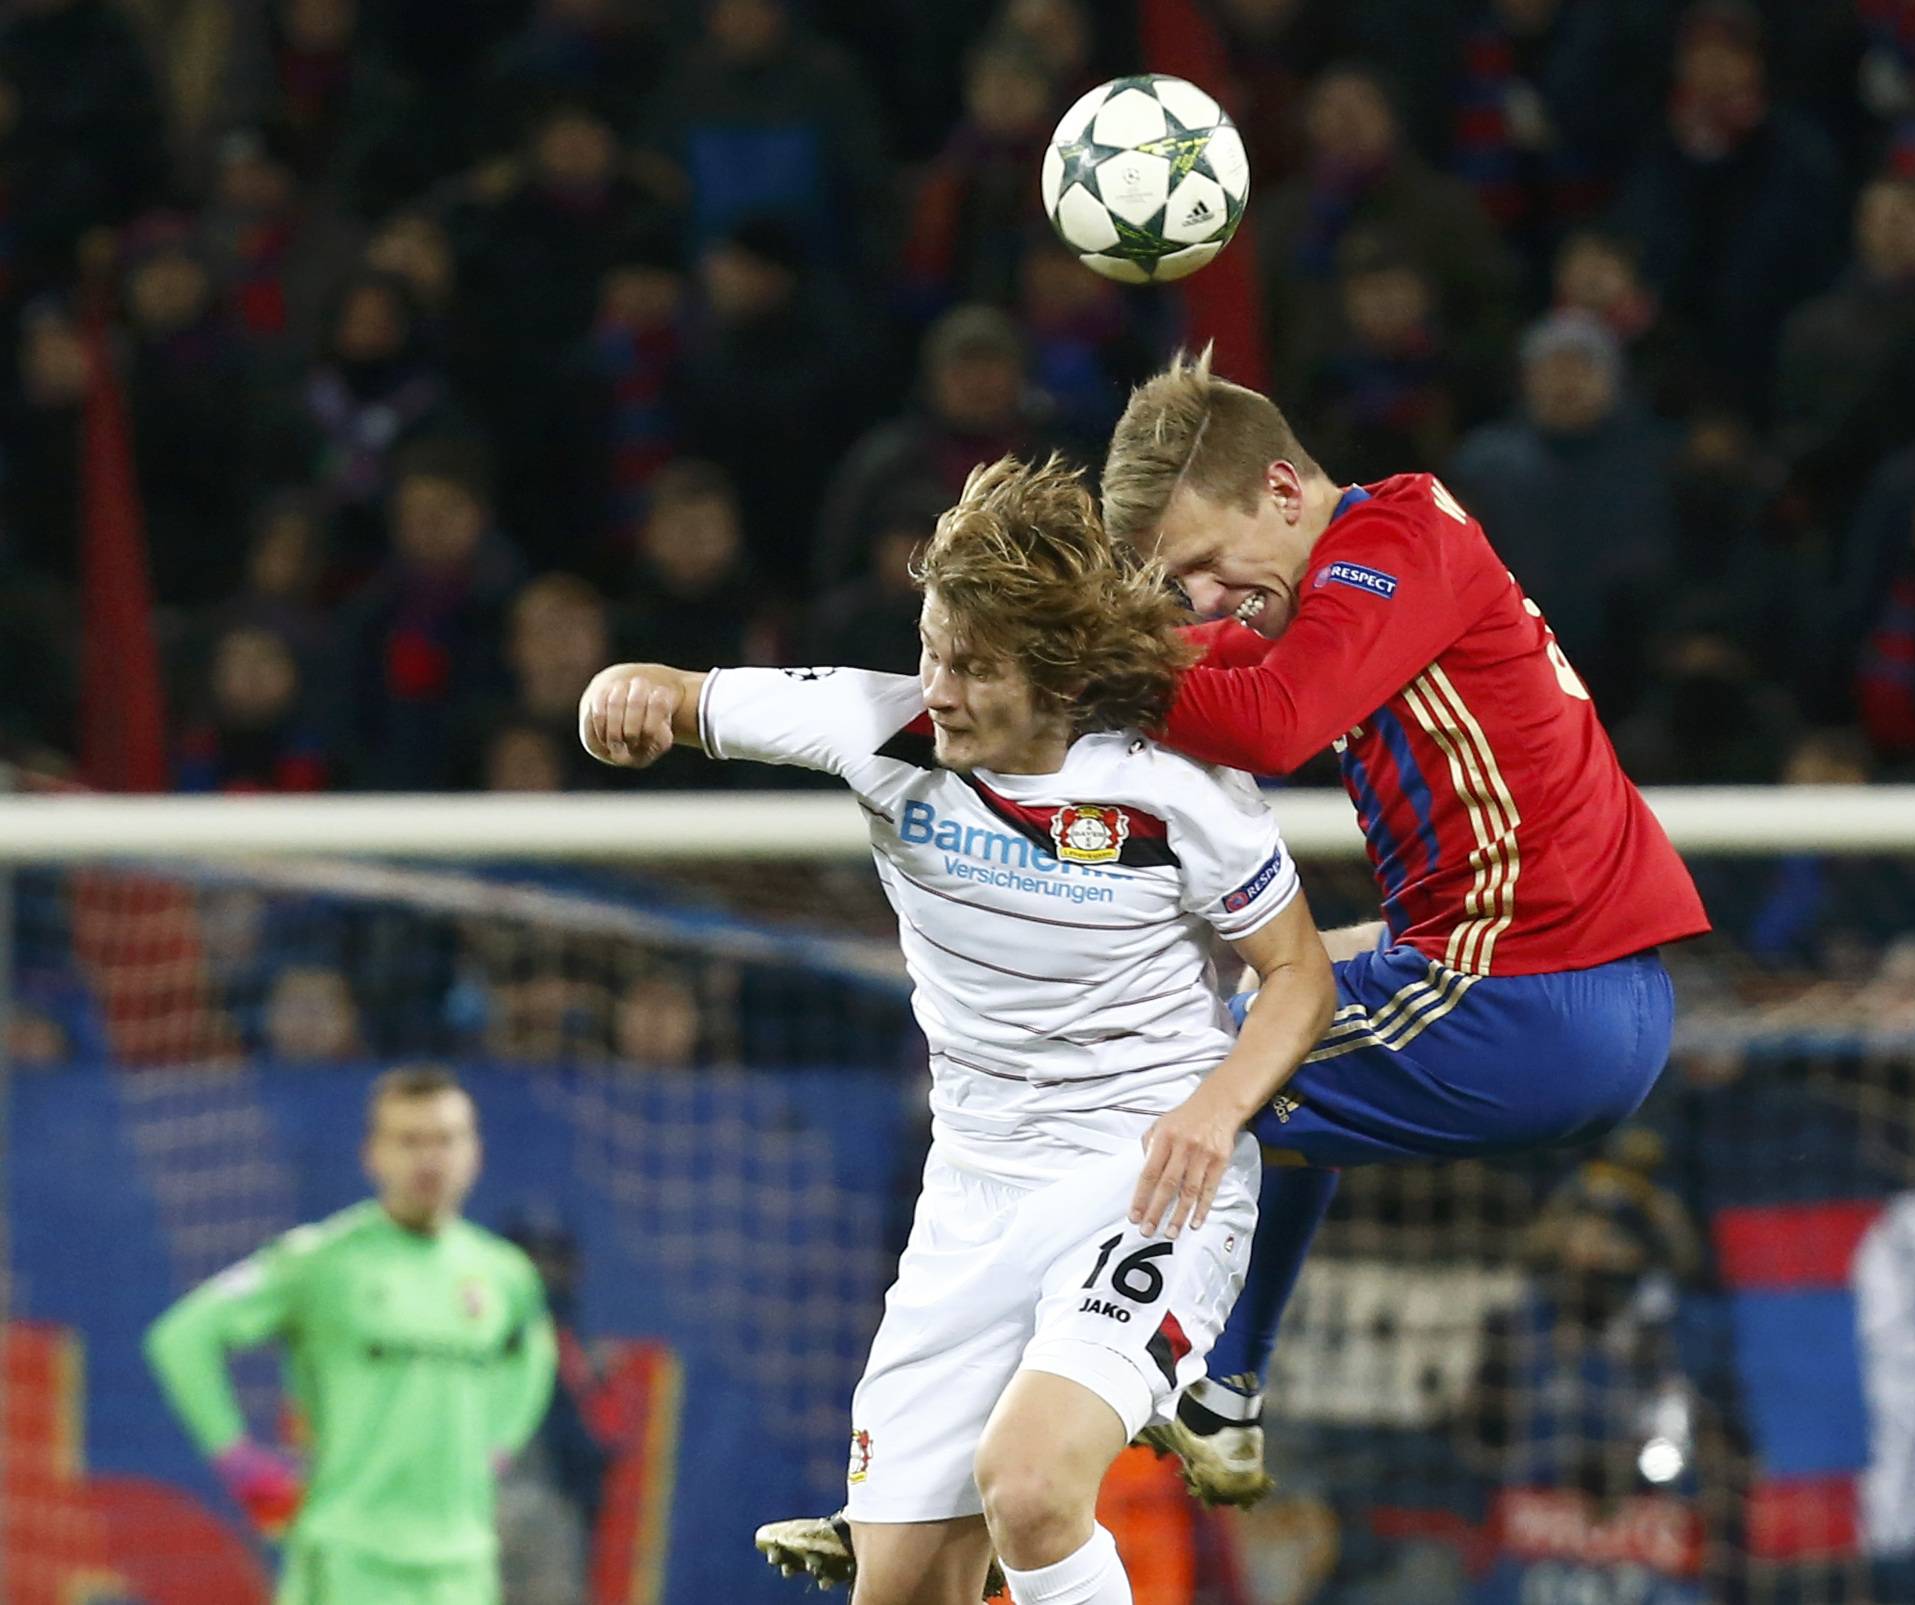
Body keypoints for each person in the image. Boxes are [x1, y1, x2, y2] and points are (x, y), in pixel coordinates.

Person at [580, 455, 1336, 1605]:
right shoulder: (874, 726)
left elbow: (1299, 978)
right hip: (970, 1205)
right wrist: (617, 700)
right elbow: (663, 690)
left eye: (976, 668)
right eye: (933, 648)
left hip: (1148, 1184)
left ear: (1062, 673)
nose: (940, 687)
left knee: (1030, 1488)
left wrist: (1213, 1110)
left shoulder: (1178, 794)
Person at [1085, 346, 1710, 1506]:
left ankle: (990, 1447)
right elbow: (1217, 659)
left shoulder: (1395, 543)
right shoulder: (1351, 578)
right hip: (1558, 987)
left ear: (1282, 488)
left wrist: (1080, 662)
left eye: (1210, 563)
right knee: (1265, 1020)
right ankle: (1226, 1391)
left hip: (1522, 996)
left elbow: (1270, 721)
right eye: (1184, 580)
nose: (1209, 596)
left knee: (1159, 1091)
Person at [144, 1067, 557, 1605]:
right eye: (409, 1141)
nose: (429, 1158)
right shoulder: (319, 1261)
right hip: (349, 1558)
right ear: (372, 1154)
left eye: (446, 1140)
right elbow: (182, 1338)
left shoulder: (503, 1272)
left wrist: (500, 1444)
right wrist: (238, 1460)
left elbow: (534, 1355)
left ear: (474, 1152)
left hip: (462, 1564)